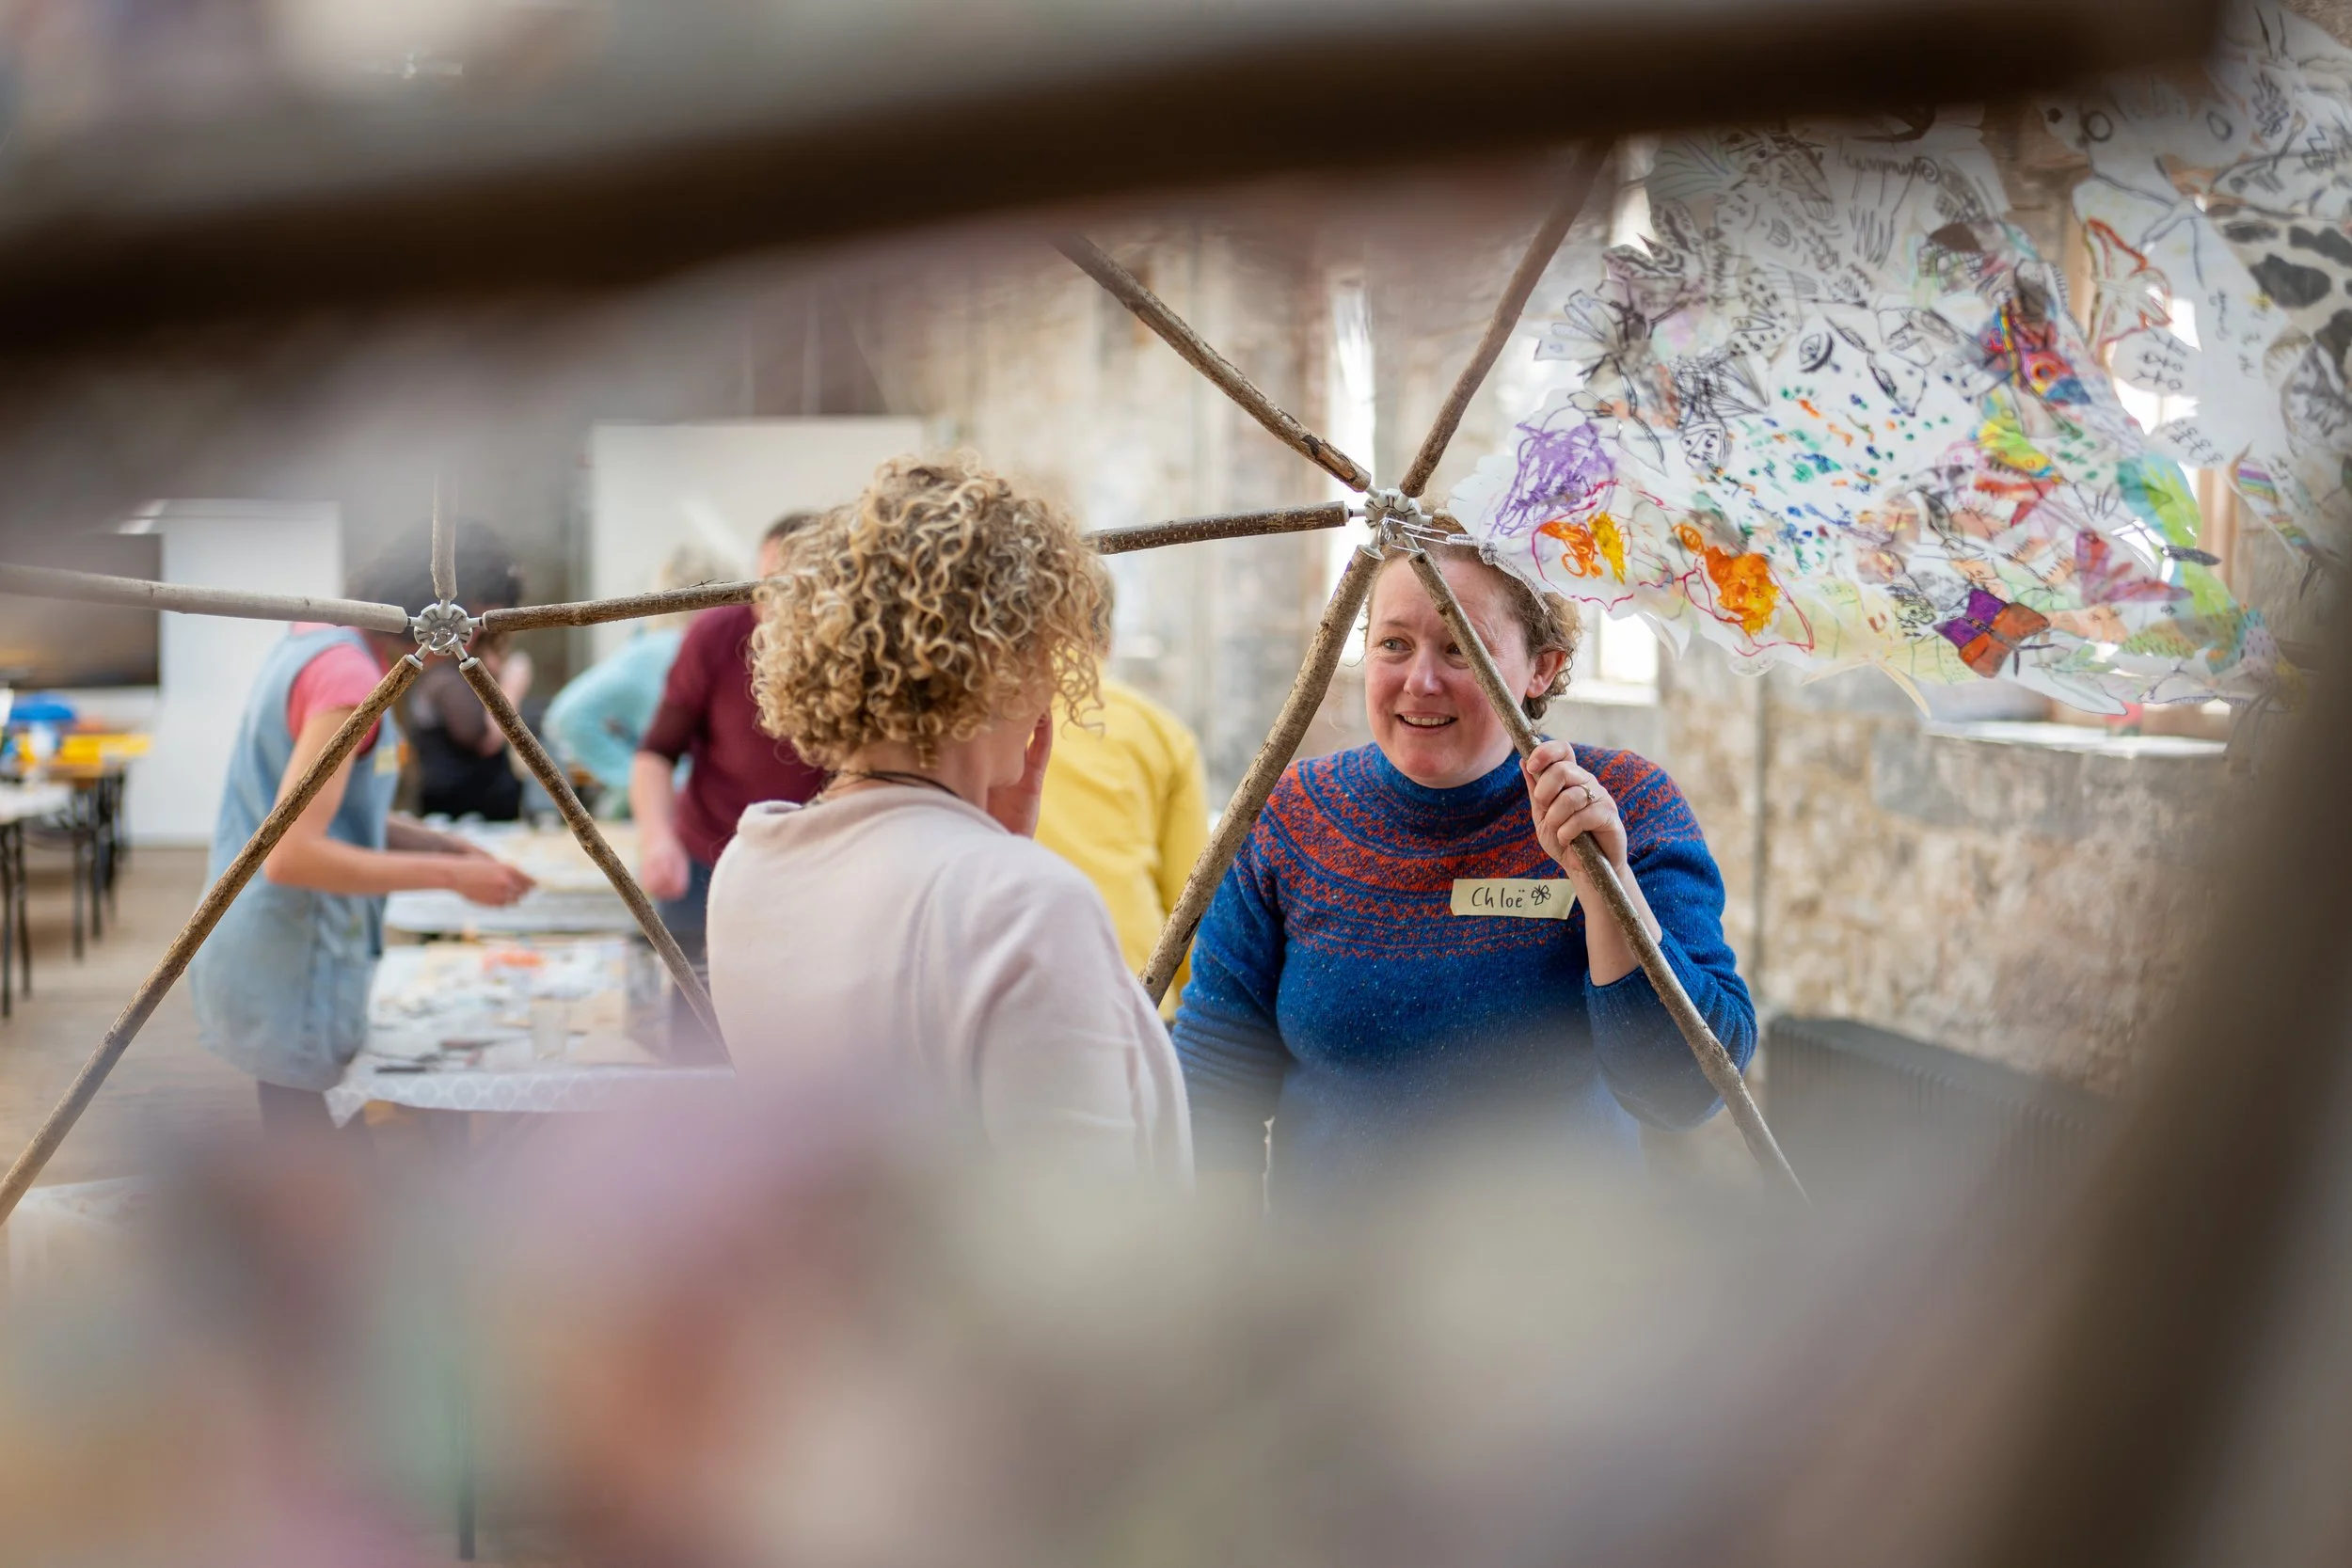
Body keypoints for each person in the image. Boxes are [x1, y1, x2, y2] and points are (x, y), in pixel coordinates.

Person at [1173, 547, 1755, 1206]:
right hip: (1326, 1264)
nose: (1420, 681)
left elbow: (1687, 1092)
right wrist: (1225, 1251)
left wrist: (1607, 887)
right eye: (1394, 644)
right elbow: (1214, 1074)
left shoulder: (1624, 805)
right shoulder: (1294, 816)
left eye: (1461, 649)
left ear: (1542, 667)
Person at [706, 453, 1191, 1179]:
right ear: (1010, 663)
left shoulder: (749, 865)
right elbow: (1093, 1220)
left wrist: (992, 844)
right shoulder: (1025, 903)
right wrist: (1001, 862)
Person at [190, 522, 538, 1133]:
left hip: (269, 945)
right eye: (475, 626)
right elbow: (292, 854)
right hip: (290, 955)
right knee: (315, 1159)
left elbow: (339, 809)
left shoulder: (320, 637)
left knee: (313, 1146)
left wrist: (447, 846)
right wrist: (451, 877)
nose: (471, 645)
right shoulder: (349, 680)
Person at [630, 516, 827, 984]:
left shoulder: (849, 649)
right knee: (697, 1009)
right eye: (768, 585)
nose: (775, 605)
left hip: (817, 868)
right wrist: (658, 838)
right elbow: (656, 753)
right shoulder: (715, 634)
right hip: (709, 860)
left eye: (796, 588)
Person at [1031, 583, 1209, 1020]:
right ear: (1107, 641)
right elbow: (1192, 898)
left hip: (1014, 994)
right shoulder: (1160, 732)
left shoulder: (982, 724)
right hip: (1137, 990)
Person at [544, 545, 736, 812]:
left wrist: (631, 778)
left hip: (678, 806)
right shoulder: (671, 647)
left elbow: (567, 715)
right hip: (706, 806)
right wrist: (637, 780)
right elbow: (569, 716)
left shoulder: (653, 649)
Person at [405, 621, 532, 820]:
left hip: (473, 804)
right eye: (499, 651)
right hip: (458, 807)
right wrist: (511, 690)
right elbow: (485, 741)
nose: (502, 662)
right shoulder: (448, 680)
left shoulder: (449, 678)